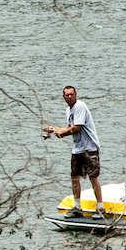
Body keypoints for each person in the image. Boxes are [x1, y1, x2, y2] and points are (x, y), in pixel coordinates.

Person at [43, 86, 106, 219]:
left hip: (90, 148)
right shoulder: (68, 110)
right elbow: (69, 128)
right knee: (74, 178)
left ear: (76, 95)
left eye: (71, 94)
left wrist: (62, 132)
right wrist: (54, 130)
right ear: (64, 97)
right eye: (67, 95)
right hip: (78, 148)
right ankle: (77, 207)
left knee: (93, 178)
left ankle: (100, 208)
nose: (69, 97)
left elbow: (77, 128)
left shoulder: (80, 106)